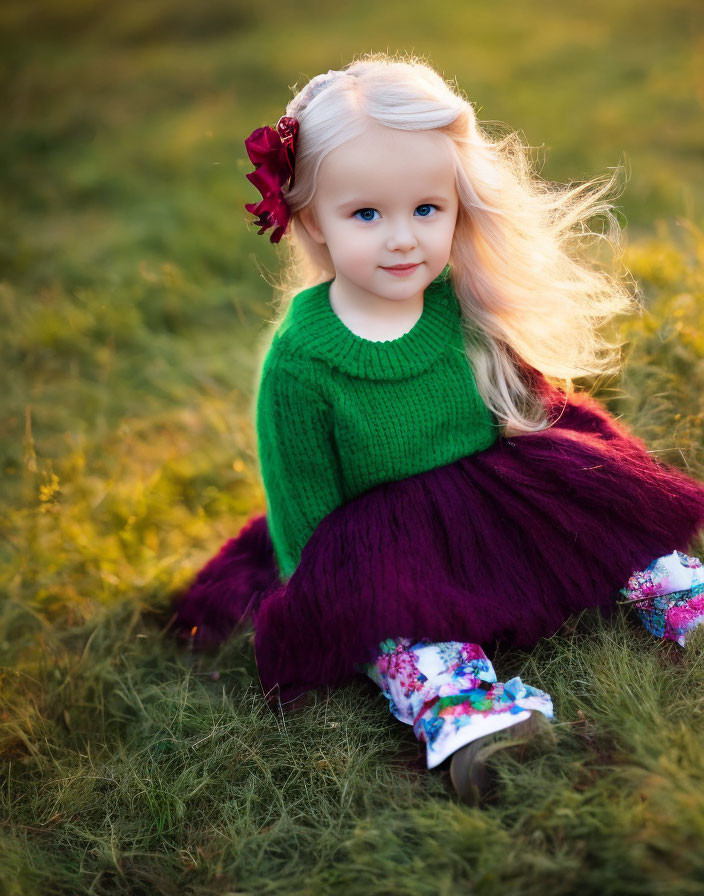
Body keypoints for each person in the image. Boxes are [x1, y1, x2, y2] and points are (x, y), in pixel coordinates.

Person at [172, 53, 704, 806]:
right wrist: (337, 598)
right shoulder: (298, 368)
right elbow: (304, 521)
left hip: (496, 492)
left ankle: (676, 597)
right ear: (310, 220)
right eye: (367, 214)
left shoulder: (461, 303)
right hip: (387, 543)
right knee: (405, 624)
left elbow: (519, 406)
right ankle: (461, 712)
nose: (402, 240)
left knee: (599, 516)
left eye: (427, 209)